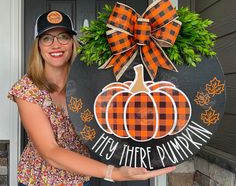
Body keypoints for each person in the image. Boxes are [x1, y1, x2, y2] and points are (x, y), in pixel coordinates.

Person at [8, 10, 175, 186]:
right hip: (38, 180)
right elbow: (51, 152)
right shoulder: (27, 88)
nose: (55, 44)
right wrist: (114, 173)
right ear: (39, 46)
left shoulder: (87, 83)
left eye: (63, 37)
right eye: (47, 38)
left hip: (81, 178)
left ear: (72, 43)